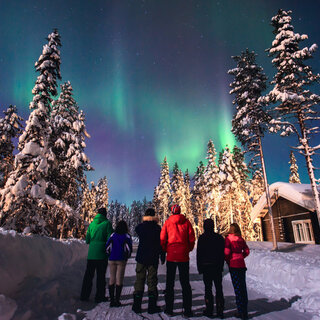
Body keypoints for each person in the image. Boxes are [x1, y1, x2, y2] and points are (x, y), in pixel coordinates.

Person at [160, 204, 195, 317]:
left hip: (171, 256)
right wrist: (187, 249)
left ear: (172, 212)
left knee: (170, 283)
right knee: (185, 283)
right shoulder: (186, 222)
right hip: (183, 256)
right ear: (180, 211)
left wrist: (167, 249)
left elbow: (162, 238)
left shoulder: (167, 222)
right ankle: (187, 310)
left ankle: (169, 309)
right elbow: (191, 238)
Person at [132, 208, 165, 314]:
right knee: (152, 281)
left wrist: (144, 221)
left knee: (139, 280)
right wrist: (162, 255)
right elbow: (161, 243)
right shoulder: (157, 228)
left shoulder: (141, 227)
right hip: (153, 258)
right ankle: (152, 306)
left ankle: (137, 306)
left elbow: (137, 229)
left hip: (141, 257)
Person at [80, 207, 113, 303]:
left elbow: (87, 240)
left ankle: (84, 295)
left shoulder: (92, 224)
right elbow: (110, 239)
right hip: (102, 254)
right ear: (105, 214)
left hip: (91, 254)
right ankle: (99, 296)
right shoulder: (107, 224)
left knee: (88, 275)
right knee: (101, 276)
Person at [197, 219, 225, 318]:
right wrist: (221, 266)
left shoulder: (202, 238)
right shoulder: (219, 238)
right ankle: (220, 310)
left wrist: (199, 267)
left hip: (206, 267)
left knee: (208, 288)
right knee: (219, 288)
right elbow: (222, 254)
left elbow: (199, 254)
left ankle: (209, 310)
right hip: (217, 267)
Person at [224, 223, 250, 320]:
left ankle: (240, 311)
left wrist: (228, 259)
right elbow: (247, 251)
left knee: (237, 288)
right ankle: (245, 311)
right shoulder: (240, 239)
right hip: (241, 265)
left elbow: (226, 252)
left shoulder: (228, 239)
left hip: (233, 265)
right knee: (243, 287)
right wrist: (241, 256)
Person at [106, 220, 132, 307]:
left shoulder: (113, 235)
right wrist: (126, 257)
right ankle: (117, 300)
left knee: (112, 278)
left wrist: (109, 254)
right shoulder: (127, 236)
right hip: (121, 259)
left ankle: (111, 300)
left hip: (112, 258)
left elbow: (107, 246)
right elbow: (129, 248)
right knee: (119, 279)